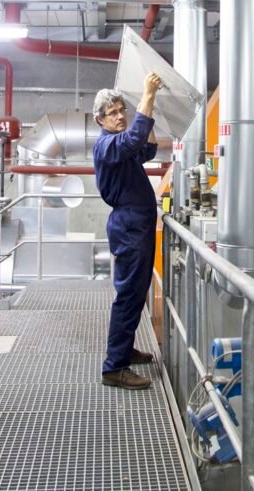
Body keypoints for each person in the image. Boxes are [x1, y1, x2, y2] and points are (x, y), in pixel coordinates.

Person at [92, 72, 162, 390]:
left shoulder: (122, 146)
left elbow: (147, 149)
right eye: (113, 113)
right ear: (100, 120)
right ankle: (114, 367)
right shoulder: (107, 146)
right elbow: (134, 141)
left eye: (122, 110)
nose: (120, 116)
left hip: (138, 224)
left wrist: (151, 109)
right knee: (129, 294)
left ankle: (125, 349)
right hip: (129, 225)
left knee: (136, 292)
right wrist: (147, 94)